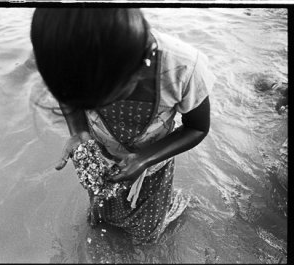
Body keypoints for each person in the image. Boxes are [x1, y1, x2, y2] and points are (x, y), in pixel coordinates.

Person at [30, 8, 215, 244]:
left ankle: (171, 213)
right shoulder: (69, 59)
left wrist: (144, 158)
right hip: (100, 156)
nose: (91, 106)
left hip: (152, 165)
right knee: (102, 212)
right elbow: (66, 94)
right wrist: (79, 132)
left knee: (145, 230)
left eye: (98, 99)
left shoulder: (184, 69)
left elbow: (197, 127)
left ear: (137, 71)